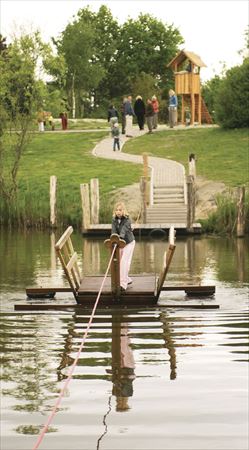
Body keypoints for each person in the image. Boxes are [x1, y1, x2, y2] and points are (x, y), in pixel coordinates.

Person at [111, 202, 135, 291]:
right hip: (120, 243)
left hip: (129, 243)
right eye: (116, 210)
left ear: (123, 211)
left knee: (124, 262)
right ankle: (127, 278)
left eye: (120, 210)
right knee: (119, 262)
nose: (118, 212)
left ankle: (123, 284)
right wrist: (113, 239)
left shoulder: (127, 220)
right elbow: (113, 231)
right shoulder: (114, 220)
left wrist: (119, 238)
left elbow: (123, 232)